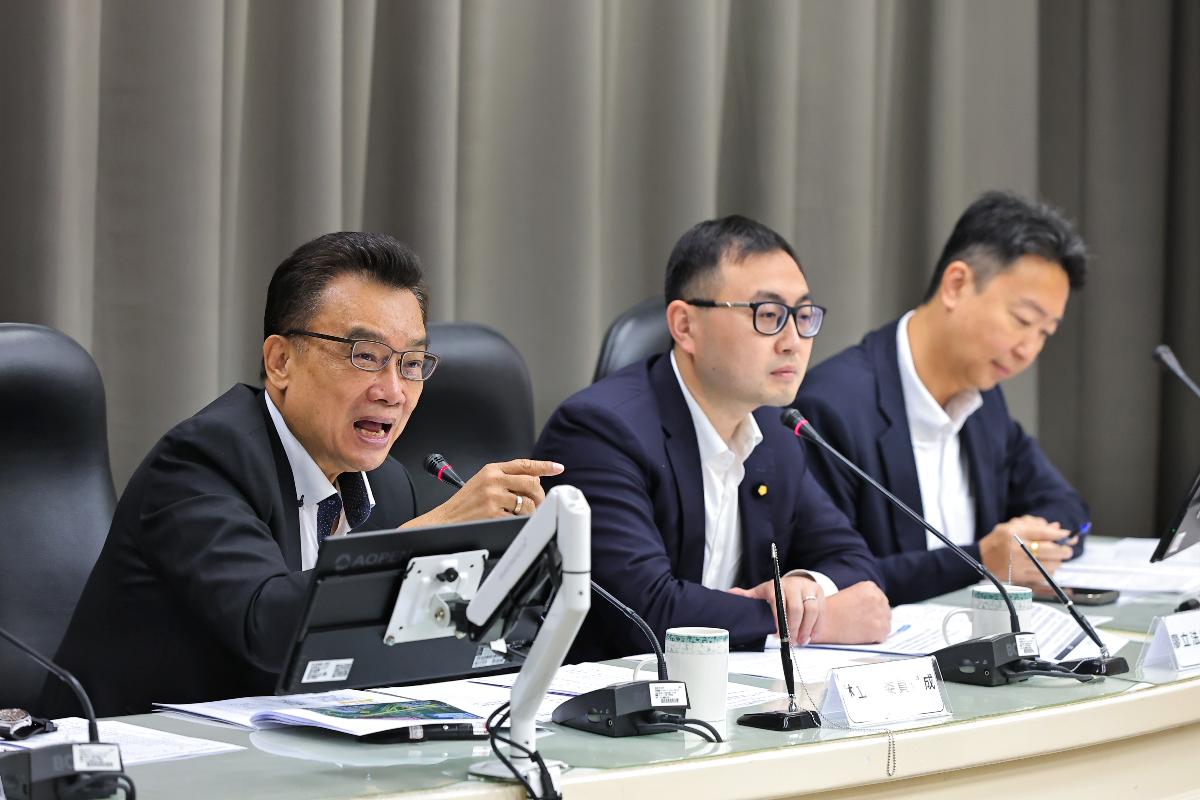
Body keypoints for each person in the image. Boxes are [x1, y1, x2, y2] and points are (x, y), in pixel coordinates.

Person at [43, 232, 562, 716]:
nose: (393, 391)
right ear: (281, 361)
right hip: (134, 758)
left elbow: (391, 649)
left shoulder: (387, 485)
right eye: (366, 356)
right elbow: (267, 629)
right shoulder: (202, 462)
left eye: (411, 363)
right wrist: (431, 538)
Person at [534, 215, 891, 662]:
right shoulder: (599, 432)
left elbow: (855, 564)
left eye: (803, 316)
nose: (793, 341)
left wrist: (805, 588)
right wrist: (805, 619)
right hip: (605, 695)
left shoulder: (775, 433)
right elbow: (648, 614)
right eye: (768, 315)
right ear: (685, 326)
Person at [795, 191, 1090, 605]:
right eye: (1022, 320)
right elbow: (827, 581)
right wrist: (981, 561)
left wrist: (1032, 546)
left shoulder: (985, 403)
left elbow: (1066, 506)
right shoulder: (830, 409)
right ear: (956, 285)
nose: (1029, 350)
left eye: (1045, 332)